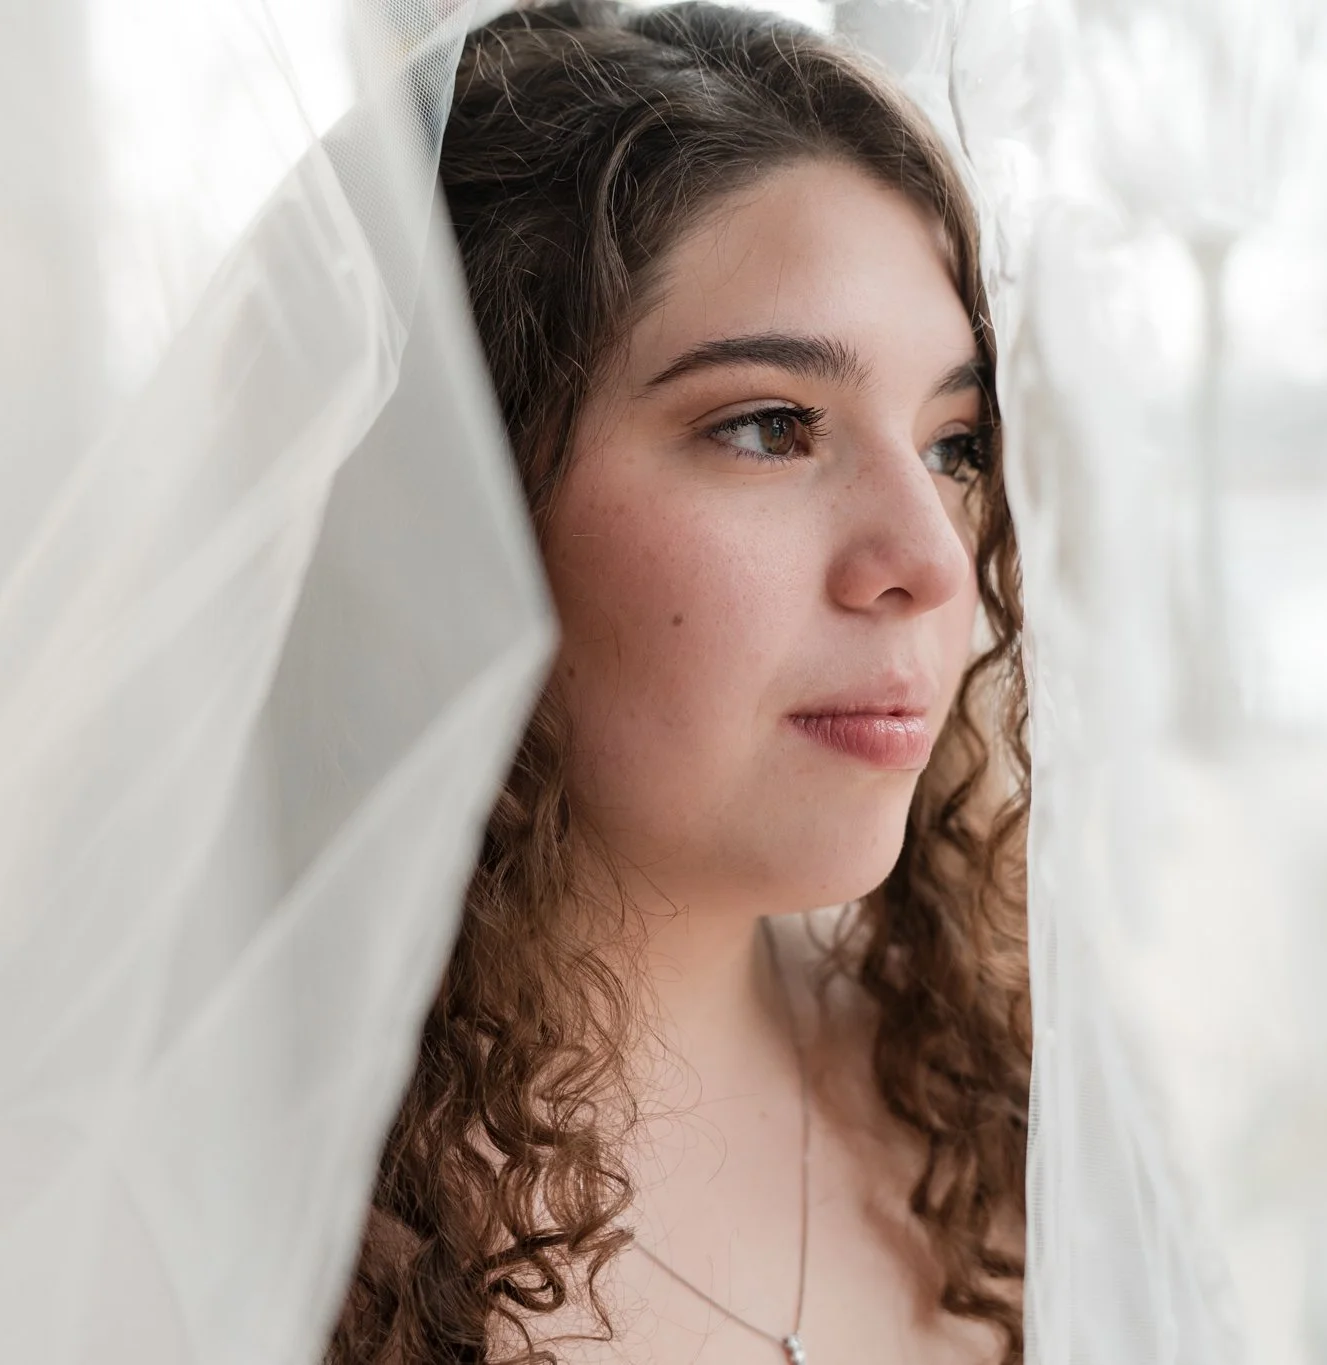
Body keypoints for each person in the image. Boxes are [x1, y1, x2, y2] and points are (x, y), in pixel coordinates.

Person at [331, 4, 1031, 1361]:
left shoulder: (1000, 1117)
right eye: (771, 427)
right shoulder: (190, 1217)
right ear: (456, 506)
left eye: (954, 442)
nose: (932, 560)